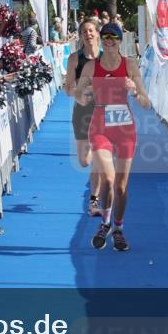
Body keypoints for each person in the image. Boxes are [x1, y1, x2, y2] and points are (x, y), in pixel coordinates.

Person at [75, 22, 151, 253]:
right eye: (105, 36)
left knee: (121, 187)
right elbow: (79, 96)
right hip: (99, 128)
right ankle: (104, 224)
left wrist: (134, 90)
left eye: (114, 37)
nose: (109, 40)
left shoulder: (129, 64)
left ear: (120, 40)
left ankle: (117, 228)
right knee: (107, 179)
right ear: (101, 38)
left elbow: (146, 103)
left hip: (125, 130)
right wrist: (84, 95)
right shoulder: (90, 66)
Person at [64, 18, 103, 216]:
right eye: (84, 31)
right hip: (82, 112)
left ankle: (94, 202)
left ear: (97, 33)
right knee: (84, 162)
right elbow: (67, 89)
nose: (88, 34)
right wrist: (82, 92)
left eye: (91, 31)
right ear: (80, 36)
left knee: (99, 157)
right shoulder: (74, 59)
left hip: (104, 113)